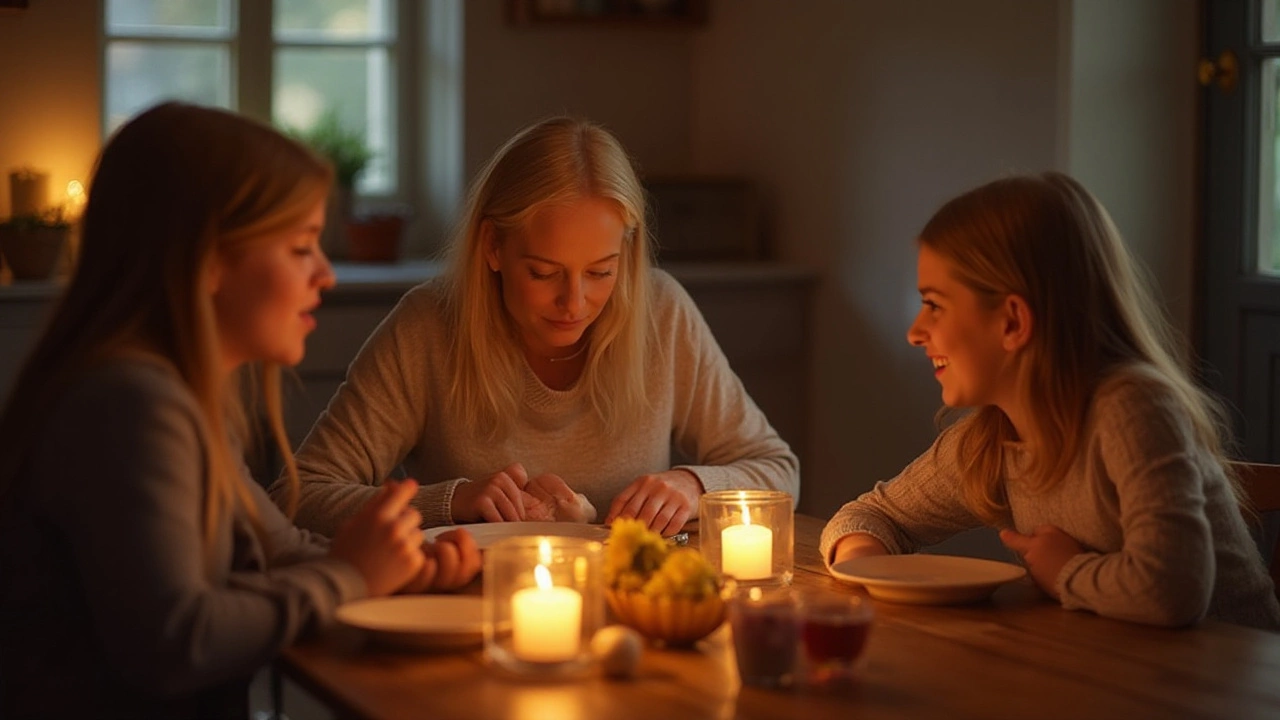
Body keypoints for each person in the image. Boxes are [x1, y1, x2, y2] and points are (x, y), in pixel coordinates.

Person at [0, 102, 481, 719]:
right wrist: (356, 579)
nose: (327, 275)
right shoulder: (129, 405)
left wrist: (409, 568)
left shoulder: (180, 395)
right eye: (302, 247)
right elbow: (175, 641)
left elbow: (281, 549)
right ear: (210, 259)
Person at [272, 116, 799, 539]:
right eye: (544, 272)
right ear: (493, 247)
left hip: (629, 615)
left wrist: (694, 484)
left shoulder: (661, 312)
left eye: (601, 272)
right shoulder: (429, 326)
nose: (574, 302)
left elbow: (778, 469)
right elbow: (300, 496)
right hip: (471, 618)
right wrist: (451, 502)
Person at [821, 172, 1280, 630]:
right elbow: (870, 515)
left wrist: (1063, 572)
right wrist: (866, 562)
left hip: (1228, 689)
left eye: (935, 305)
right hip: (1118, 677)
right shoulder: (993, 438)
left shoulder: (1133, 408)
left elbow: (1173, 589)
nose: (915, 332)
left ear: (1013, 322)